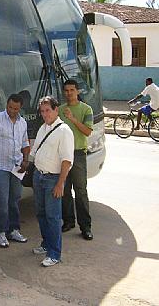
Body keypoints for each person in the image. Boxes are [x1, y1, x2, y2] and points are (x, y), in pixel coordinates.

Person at [0, 93, 30, 248]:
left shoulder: (23, 123)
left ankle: (14, 230)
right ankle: (0, 232)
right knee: (2, 199)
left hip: (17, 166)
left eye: (16, 108)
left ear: (20, 108)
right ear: (6, 105)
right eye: (10, 107)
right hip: (0, 165)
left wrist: (25, 160)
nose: (12, 111)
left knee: (15, 198)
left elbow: (25, 143)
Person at [31, 96, 74, 267]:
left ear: (56, 110)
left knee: (53, 217)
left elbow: (66, 161)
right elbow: (35, 151)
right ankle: (46, 243)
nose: (44, 114)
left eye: (48, 110)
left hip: (52, 179)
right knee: (41, 214)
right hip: (38, 176)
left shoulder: (64, 131)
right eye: (42, 111)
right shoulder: (43, 128)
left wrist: (60, 184)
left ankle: (54, 253)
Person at [59, 79, 94, 240]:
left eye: (72, 90)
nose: (69, 93)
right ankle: (68, 221)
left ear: (78, 91)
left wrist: (72, 118)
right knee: (64, 190)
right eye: (66, 90)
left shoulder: (86, 109)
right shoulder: (59, 110)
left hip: (78, 154)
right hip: (62, 155)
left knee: (80, 192)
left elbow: (87, 131)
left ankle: (85, 227)